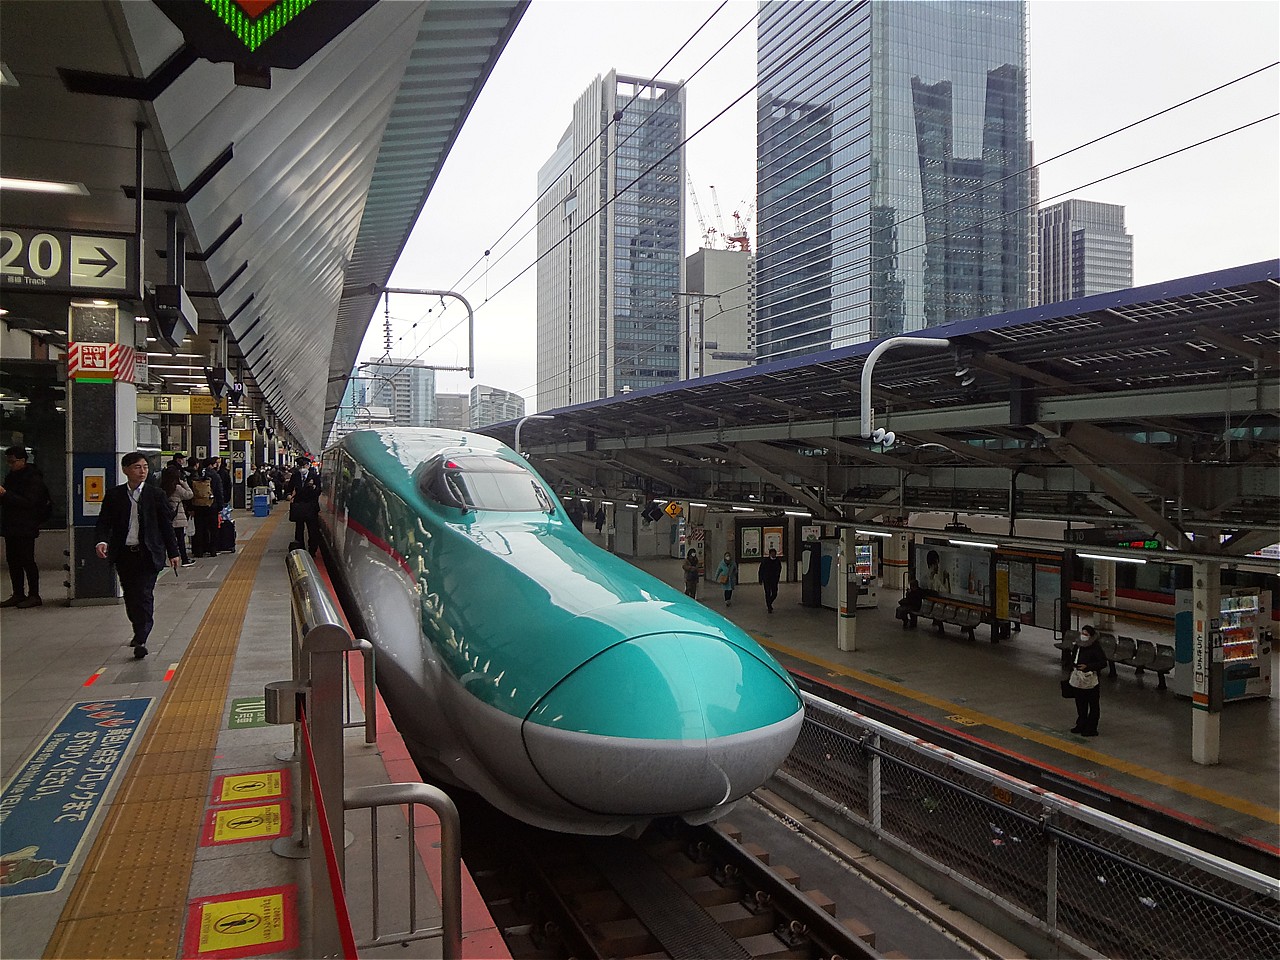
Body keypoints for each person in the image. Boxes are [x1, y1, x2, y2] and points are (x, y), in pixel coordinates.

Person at [94, 452, 180, 659]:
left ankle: (142, 637)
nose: (142, 471)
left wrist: (174, 552)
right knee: (131, 596)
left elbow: (166, 526)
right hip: (124, 554)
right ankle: (138, 628)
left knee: (144, 594)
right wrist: (102, 541)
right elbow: (104, 522)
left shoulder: (156, 494)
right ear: (125, 470)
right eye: (137, 467)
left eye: (145, 467)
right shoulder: (114, 495)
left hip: (148, 553)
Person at [0, 446, 53, 609]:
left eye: (13, 461)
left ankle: (34, 594)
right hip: (11, 525)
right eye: (8, 462)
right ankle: (18, 593)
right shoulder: (11, 477)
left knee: (27, 560)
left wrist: (5, 494)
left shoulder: (33, 478)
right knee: (13, 560)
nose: (10, 465)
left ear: (23, 460)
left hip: (26, 526)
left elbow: (29, 502)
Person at [1068, 624, 1107, 736]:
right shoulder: (1078, 645)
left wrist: (1088, 667)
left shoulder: (1095, 647)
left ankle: (1091, 728)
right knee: (1080, 704)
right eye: (1082, 633)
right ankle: (1081, 724)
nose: (1083, 635)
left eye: (1086, 634)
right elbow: (1073, 657)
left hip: (1090, 679)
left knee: (1093, 705)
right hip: (1078, 678)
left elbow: (1103, 663)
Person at [160, 463, 196, 567]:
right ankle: (184, 559)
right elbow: (190, 494)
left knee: (165, 539)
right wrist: (184, 483)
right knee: (180, 540)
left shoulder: (162, 487)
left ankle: (162, 561)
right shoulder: (177, 487)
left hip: (166, 517)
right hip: (177, 517)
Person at [189, 459, 224, 558]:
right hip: (211, 505)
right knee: (213, 529)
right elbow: (219, 491)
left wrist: (191, 507)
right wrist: (220, 506)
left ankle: (199, 551)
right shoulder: (215, 475)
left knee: (199, 529)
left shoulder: (195, 475)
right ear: (212, 465)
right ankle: (213, 550)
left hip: (198, 506)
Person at [287, 457, 321, 554]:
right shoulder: (295, 476)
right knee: (299, 529)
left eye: (304, 466)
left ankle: (312, 550)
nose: (302, 468)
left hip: (311, 506)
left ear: (308, 466)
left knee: (312, 530)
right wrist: (289, 495)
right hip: (299, 506)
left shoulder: (314, 476)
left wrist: (313, 488)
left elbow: (319, 490)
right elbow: (289, 488)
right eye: (300, 466)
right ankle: (300, 548)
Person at [925, 549, 950, 633]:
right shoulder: (925, 579)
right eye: (936, 564)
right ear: (932, 565)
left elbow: (946, 592)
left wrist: (946, 580)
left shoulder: (935, 579)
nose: (938, 567)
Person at [758, 547, 782, 613]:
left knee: (774, 593)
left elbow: (779, 569)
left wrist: (777, 576)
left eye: (774, 553)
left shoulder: (777, 561)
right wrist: (760, 579)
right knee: (767, 592)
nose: (773, 554)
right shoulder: (765, 561)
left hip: (774, 580)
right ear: (770, 554)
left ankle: (769, 602)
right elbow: (761, 570)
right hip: (767, 579)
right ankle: (769, 606)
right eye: (772, 553)